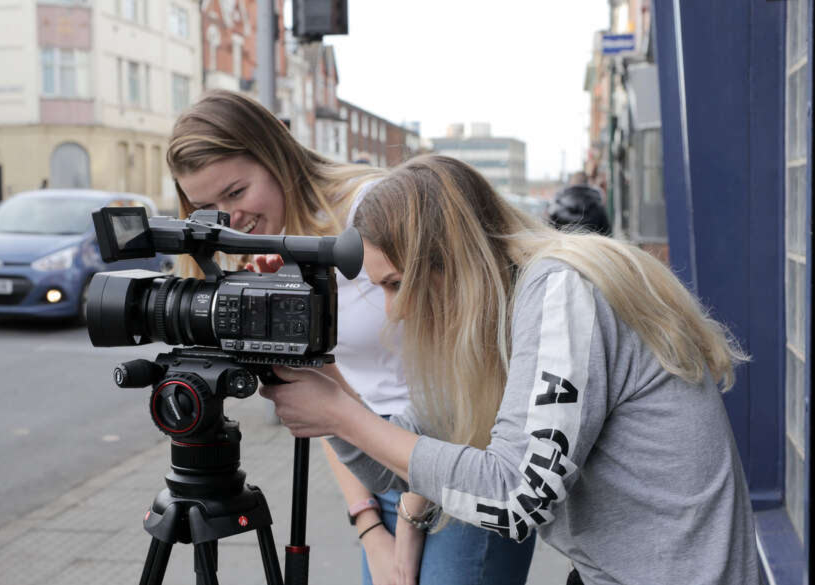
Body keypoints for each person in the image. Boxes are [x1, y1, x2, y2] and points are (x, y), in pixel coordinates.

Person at [260, 154, 764, 585]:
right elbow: (390, 462)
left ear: (449, 261)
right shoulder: (495, 327)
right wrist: (330, 390)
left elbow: (516, 499)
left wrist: (344, 418)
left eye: (396, 284)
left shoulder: (561, 290)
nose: (395, 311)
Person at [166, 92, 535, 585]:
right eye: (207, 205)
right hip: (374, 461)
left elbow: (468, 372)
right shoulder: (267, 243)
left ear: (275, 153)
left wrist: (408, 522)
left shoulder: (376, 213)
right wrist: (368, 526)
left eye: (236, 192)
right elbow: (319, 397)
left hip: (460, 459)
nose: (228, 219)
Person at [547, 171, 612, 236]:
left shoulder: (557, 206)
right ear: (588, 183)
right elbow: (607, 234)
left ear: (571, 183)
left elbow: (550, 234)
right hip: (591, 244)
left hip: (565, 245)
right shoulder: (598, 207)